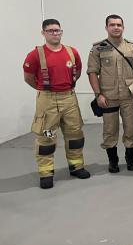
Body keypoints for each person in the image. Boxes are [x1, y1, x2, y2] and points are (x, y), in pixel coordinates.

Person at [23, 19, 91, 189]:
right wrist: (45, 90)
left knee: (75, 134)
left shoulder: (71, 52)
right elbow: (29, 78)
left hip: (69, 99)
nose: (55, 33)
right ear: (43, 33)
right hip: (47, 101)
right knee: (47, 137)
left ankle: (76, 166)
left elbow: (78, 71)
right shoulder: (35, 54)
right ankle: (46, 173)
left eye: (58, 30)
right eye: (51, 30)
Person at [88, 14, 133, 173]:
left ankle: (130, 159)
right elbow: (92, 72)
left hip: (129, 96)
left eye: (119, 25)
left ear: (123, 27)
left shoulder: (132, 47)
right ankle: (113, 161)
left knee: (131, 129)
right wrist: (98, 94)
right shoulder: (98, 48)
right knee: (110, 130)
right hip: (108, 97)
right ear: (106, 27)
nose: (116, 27)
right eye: (112, 24)